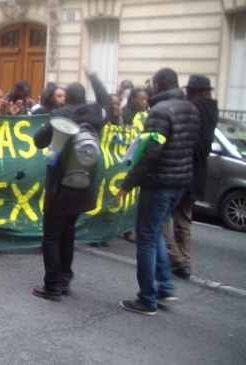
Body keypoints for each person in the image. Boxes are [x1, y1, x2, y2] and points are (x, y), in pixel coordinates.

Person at [113, 68, 200, 315]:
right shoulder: (191, 109)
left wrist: (127, 183)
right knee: (158, 232)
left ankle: (146, 298)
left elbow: (151, 152)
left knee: (147, 238)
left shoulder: (160, 112)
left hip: (158, 184)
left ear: (159, 86)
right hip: (180, 183)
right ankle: (165, 287)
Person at [32, 72, 112, 302]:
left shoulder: (59, 115)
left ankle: (52, 285)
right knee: (68, 232)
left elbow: (39, 140)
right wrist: (96, 78)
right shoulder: (96, 115)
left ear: (66, 97)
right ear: (85, 97)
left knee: (52, 236)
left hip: (60, 187)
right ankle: (65, 278)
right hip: (84, 186)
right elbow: (106, 101)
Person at [162, 75, 218, 280]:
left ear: (194, 92)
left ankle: (176, 258)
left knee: (161, 218)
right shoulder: (210, 109)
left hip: (183, 171)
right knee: (184, 220)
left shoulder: (193, 109)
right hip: (197, 174)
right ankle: (185, 263)